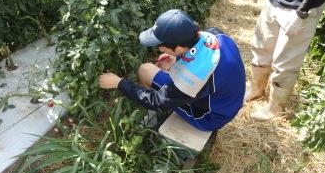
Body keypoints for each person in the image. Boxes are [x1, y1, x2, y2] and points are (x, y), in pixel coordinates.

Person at [99, 9, 246, 132]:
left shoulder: (196, 75)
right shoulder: (214, 34)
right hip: (226, 102)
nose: (158, 48)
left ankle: (151, 122)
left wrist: (119, 83)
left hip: (210, 116)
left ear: (180, 47)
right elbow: (199, 51)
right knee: (149, 70)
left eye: (161, 45)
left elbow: (158, 101)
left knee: (144, 71)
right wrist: (177, 58)